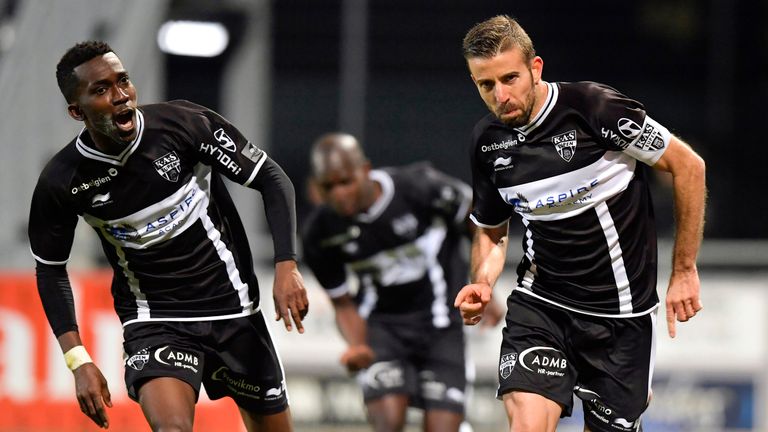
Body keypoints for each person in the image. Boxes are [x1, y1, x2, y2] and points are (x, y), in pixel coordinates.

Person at [28, 41, 309, 431]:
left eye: (122, 81)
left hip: (234, 311)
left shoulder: (185, 125)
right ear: (77, 112)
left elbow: (272, 179)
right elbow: (50, 270)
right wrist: (78, 360)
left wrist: (286, 265)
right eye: (101, 89)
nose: (120, 95)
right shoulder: (63, 181)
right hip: (155, 321)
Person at [453, 15, 706, 432]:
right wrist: (482, 280)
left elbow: (688, 166)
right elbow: (492, 229)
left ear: (536, 68)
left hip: (621, 317)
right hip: (542, 306)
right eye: (486, 85)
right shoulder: (487, 142)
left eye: (510, 78)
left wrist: (683, 270)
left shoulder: (594, 109)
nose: (501, 94)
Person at [301, 133, 494, 432]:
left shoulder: (420, 187)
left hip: (440, 326)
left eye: (346, 181)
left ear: (364, 170)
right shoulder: (319, 233)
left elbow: (479, 220)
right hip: (382, 330)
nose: (339, 193)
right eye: (329, 187)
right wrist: (357, 345)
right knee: (388, 424)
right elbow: (341, 301)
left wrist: (483, 281)